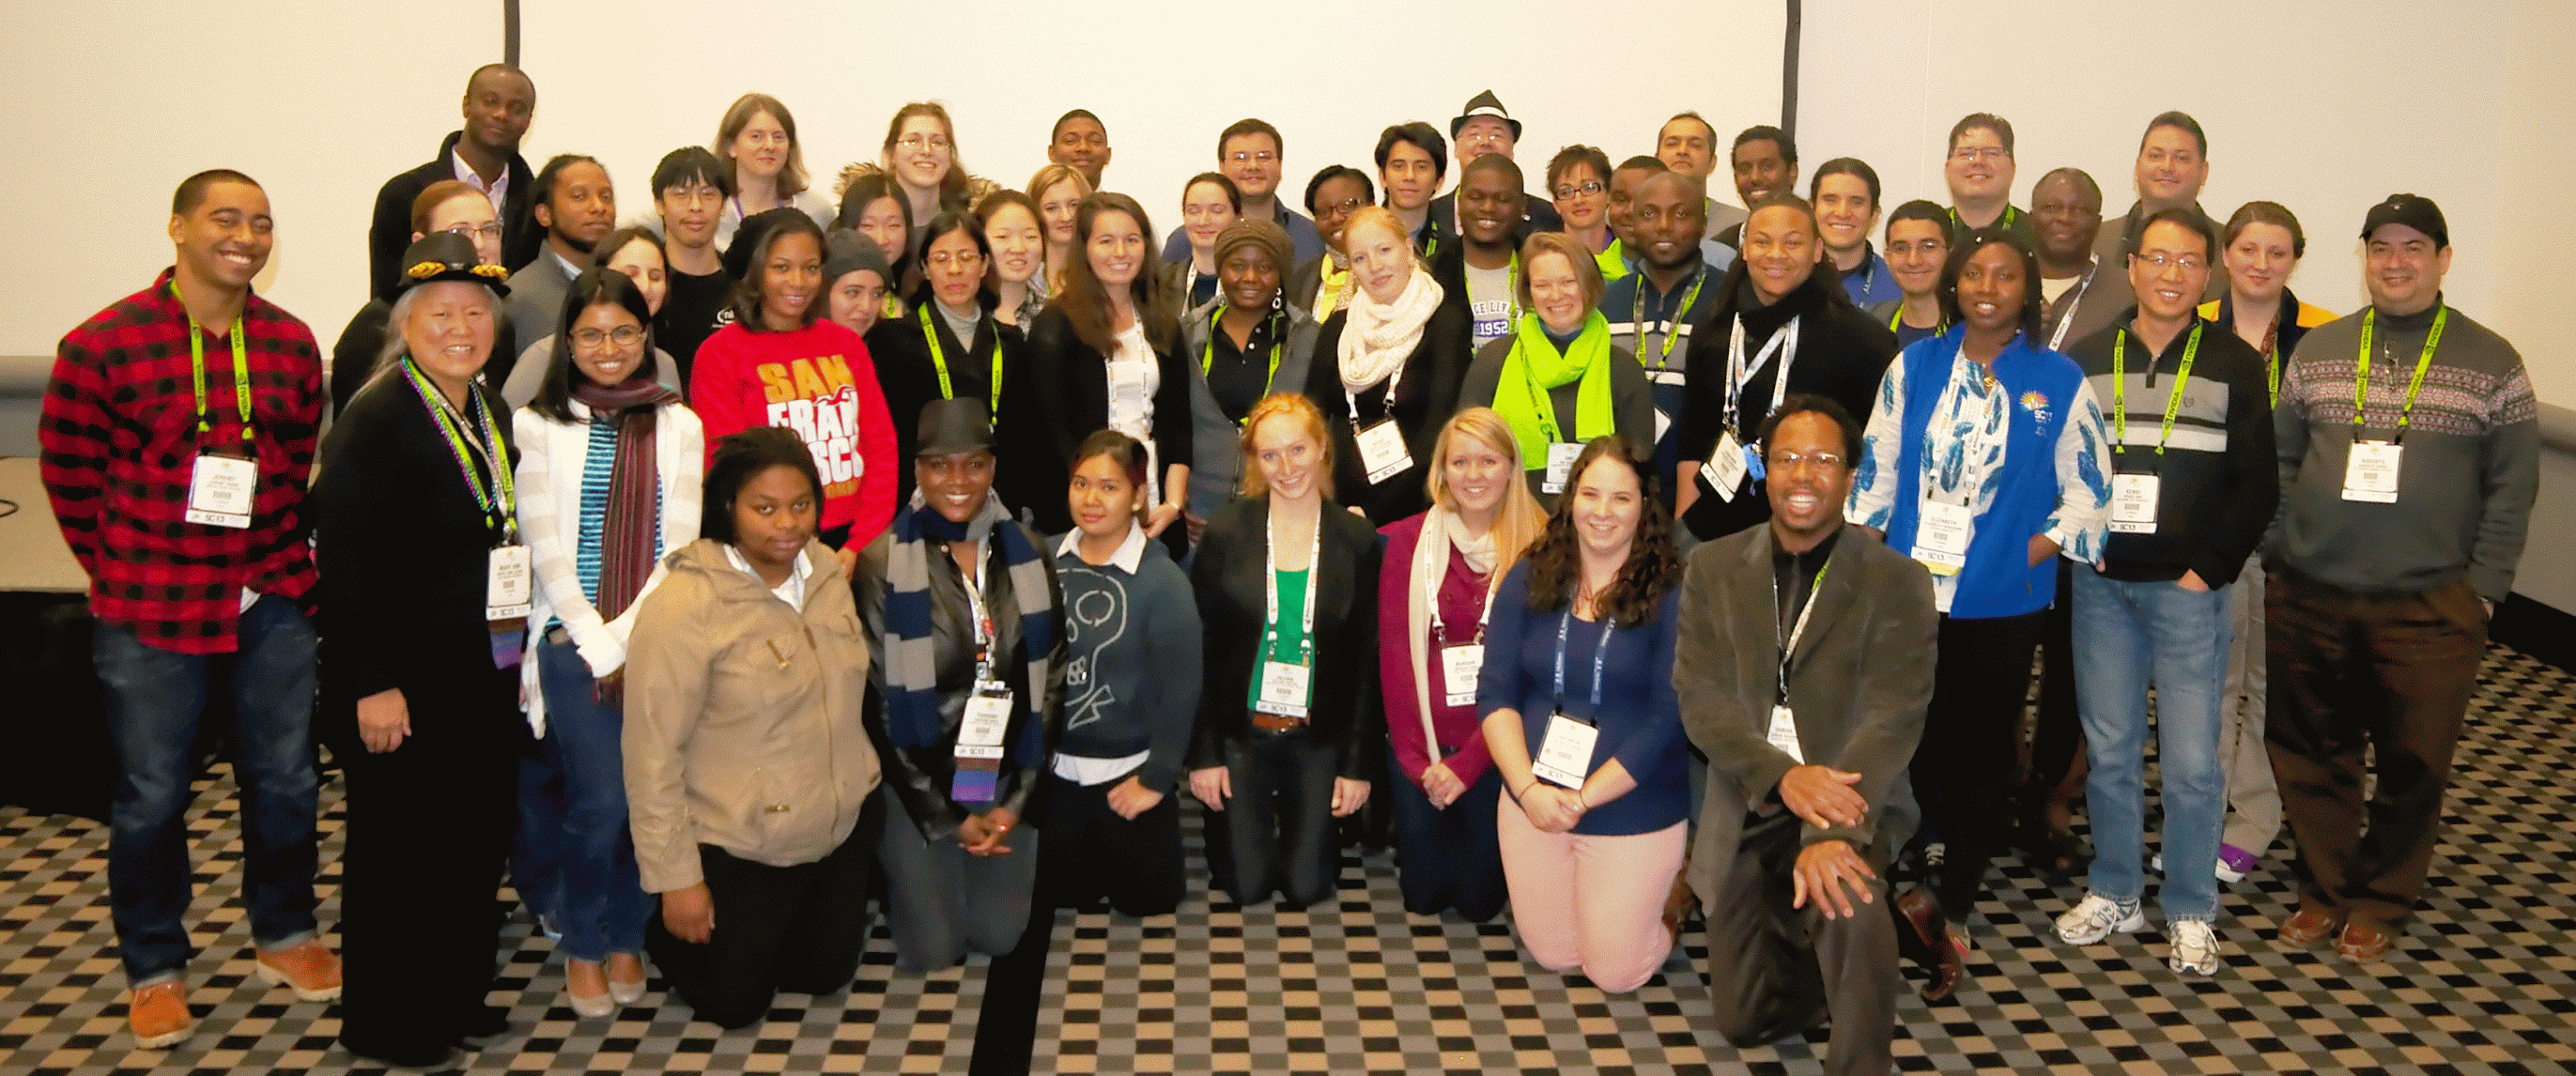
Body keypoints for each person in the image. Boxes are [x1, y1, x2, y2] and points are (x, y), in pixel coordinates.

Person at [39, 169, 338, 1051]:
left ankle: (284, 936)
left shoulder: (289, 342)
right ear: (177, 227)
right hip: (152, 607)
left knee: (286, 780)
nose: (246, 235)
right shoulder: (103, 344)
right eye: (225, 218)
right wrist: (124, 570)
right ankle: (155, 968)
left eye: (262, 222)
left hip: (269, 594)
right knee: (151, 794)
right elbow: (69, 476)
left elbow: (291, 470)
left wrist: (277, 566)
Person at [2268, 194, 2538, 962]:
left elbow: (2512, 487)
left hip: (2429, 605)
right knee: (2312, 752)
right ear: (2362, 259)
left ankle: (2382, 898)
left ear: (2441, 260)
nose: (2394, 262)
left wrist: (2482, 589)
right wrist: (2281, 547)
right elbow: (2284, 460)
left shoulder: (2493, 361)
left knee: (2414, 760)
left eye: (2412, 247)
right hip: (2310, 593)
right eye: (2379, 247)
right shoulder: (2319, 350)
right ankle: (2322, 890)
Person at [1845, 227, 2109, 954]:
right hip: (1907, 589)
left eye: (2004, 276)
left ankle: (1958, 883)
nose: (1987, 288)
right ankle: (1920, 847)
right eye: (1973, 275)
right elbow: (1877, 471)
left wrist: (2026, 550)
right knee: (1912, 727)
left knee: (1983, 742)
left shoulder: (2057, 378)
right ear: (1953, 285)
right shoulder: (1913, 365)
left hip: (2002, 596)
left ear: (2027, 290)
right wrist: (1868, 567)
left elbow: (2089, 489)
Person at [1677, 395, 1937, 1076]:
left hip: (1854, 795)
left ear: (1851, 475)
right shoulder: (1711, 567)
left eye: (1823, 460)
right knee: (1745, 1022)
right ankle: (1852, 955)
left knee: (1841, 889)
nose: (1803, 474)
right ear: (1762, 470)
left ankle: (1860, 1059)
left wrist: (1827, 829)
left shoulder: (1897, 580)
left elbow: (1890, 714)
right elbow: (1700, 701)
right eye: (1787, 458)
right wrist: (1783, 778)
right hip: (1751, 797)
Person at [315, 232, 524, 1068]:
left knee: (469, 845)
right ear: (406, 322)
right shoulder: (379, 416)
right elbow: (343, 562)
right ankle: (390, 1022)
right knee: (399, 856)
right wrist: (370, 681)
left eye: (477, 312)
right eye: (442, 313)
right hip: (400, 685)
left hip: (479, 674)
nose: (462, 327)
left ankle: (455, 996)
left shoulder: (487, 405)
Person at [2054, 210, 2276, 976]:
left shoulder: (2234, 363)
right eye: (2157, 258)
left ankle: (2188, 907)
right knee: (2109, 750)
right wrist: (2082, 548)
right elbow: (2063, 472)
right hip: (2102, 587)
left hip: (2188, 591)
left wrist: (2204, 571)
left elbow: (2258, 486)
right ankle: (2114, 887)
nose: (2172, 274)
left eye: (2188, 262)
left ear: (2206, 273)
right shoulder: (2083, 358)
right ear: (2132, 264)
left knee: (2190, 762)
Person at [625, 427, 882, 1027]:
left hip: (837, 826)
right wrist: (677, 880)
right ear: (727, 511)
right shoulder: (684, 607)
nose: (786, 524)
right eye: (764, 509)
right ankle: (660, 924)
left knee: (826, 976)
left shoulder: (825, 573)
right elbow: (650, 754)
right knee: (736, 1005)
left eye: (800, 505)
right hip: (738, 842)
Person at [510, 269, 702, 1016]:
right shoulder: (536, 424)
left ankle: (628, 938)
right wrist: (594, 636)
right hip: (568, 641)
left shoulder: (680, 424)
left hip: (654, 642)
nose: (608, 347)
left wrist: (628, 635)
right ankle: (583, 946)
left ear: (645, 335)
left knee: (652, 797)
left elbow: (678, 544)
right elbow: (543, 544)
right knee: (600, 804)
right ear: (568, 341)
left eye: (623, 332)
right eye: (590, 334)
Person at [856, 397, 1066, 970]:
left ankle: (984, 838)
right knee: (936, 949)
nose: (958, 480)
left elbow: (1052, 681)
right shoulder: (883, 562)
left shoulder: (1029, 551)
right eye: (940, 465)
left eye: (974, 464)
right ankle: (917, 857)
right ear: (917, 471)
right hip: (920, 775)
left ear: (993, 469)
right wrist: (947, 812)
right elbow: (880, 709)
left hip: (1003, 768)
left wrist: (1017, 798)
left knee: (999, 936)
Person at [1478, 436, 1689, 993]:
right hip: (1535, 795)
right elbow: (1494, 694)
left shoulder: (1674, 591)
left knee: (1616, 973)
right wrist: (1528, 790)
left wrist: (1583, 797)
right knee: (1554, 953)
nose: (1602, 511)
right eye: (1590, 493)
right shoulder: (1529, 574)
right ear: (1571, 498)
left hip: (1633, 799)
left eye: (1621, 498)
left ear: (1645, 508)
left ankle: (1673, 903)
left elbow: (1668, 718)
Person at [1188, 394, 1382, 908]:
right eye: (1269, 455)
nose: (1286, 467)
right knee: (1245, 888)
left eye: (1298, 449)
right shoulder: (1227, 532)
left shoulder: (1357, 539)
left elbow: (1367, 665)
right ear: (1256, 460)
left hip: (1317, 735)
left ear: (1321, 449)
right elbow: (1201, 651)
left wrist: (1357, 767)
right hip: (1242, 732)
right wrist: (1205, 757)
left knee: (1306, 887)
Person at [2198, 201, 2335, 884]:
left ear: (2294, 260)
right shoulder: (2193, 327)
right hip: (2215, 537)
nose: (2259, 265)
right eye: (2247, 250)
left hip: (2292, 543)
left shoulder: (2323, 338)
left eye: (2275, 253)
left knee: (2268, 684)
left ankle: (2253, 816)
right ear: (2225, 256)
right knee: (2210, 685)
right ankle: (2210, 813)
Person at [1377, 408, 1547, 920]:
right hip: (1418, 750)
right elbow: (1393, 660)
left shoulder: (1542, 547)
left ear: (1512, 467)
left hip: (1498, 753)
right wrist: (1416, 762)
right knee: (1423, 900)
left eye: (1488, 461)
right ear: (1441, 469)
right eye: (1460, 462)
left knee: (1478, 904)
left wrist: (1466, 766)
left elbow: (1532, 678)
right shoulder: (1401, 541)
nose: (1473, 476)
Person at [1042, 431, 1204, 916]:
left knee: (1149, 901)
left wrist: (1155, 781)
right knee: (1064, 897)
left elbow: (1181, 692)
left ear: (1139, 496)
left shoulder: (1164, 581)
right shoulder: (1041, 561)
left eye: (1109, 487)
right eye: (1080, 483)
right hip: (1055, 774)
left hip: (1128, 775)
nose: (1091, 499)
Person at [1674, 195, 1899, 545]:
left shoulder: (1864, 342)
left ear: (1817, 250)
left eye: (1793, 242)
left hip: (1813, 533)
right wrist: (1683, 538)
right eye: (1762, 241)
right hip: (1714, 529)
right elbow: (1693, 442)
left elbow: (1872, 463)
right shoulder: (1714, 328)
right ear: (1744, 248)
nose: (1776, 254)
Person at [690, 209, 898, 557]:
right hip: (769, 545)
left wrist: (858, 546)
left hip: (856, 542)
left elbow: (881, 449)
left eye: (811, 268)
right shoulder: (721, 354)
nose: (799, 281)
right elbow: (725, 468)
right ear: (756, 273)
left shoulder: (846, 345)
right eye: (781, 267)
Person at [1024, 192, 1193, 540]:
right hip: (1081, 511)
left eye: (1132, 240)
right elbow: (1054, 435)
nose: (1120, 253)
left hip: (1153, 505)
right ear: (1084, 249)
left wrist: (1173, 504)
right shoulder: (1054, 326)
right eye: (1106, 241)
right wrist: (1103, 500)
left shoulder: (1163, 322)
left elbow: (1177, 425)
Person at [1303, 206, 1473, 524]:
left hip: (1415, 510)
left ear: (1408, 249)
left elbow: (1442, 428)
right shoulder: (1339, 328)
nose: (1375, 267)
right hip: (1339, 512)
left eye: (1384, 250)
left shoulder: (1445, 323)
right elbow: (1311, 420)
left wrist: (1377, 513)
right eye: (1360, 258)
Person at [1460, 233, 1655, 504]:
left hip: (1597, 522)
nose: (1556, 295)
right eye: (1542, 285)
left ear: (1589, 284)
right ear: (1528, 292)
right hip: (1511, 519)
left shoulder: (1623, 369)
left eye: (1568, 282)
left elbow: (1640, 464)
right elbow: (1465, 451)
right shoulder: (1493, 361)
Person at [867, 209, 1028, 511]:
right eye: (941, 259)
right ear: (926, 268)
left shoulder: (1009, 342)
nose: (954, 269)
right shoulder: (894, 339)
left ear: (984, 265)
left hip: (997, 502)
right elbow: (885, 440)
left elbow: (1020, 438)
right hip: (917, 503)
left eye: (966, 257)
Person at [1180, 220, 1320, 537]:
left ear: (1282, 274)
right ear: (1219, 269)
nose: (1250, 278)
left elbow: (1319, 430)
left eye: (1265, 267)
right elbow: (1172, 425)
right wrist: (1178, 501)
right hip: (1198, 517)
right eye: (1237, 265)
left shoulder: (1308, 337)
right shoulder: (1186, 333)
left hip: (1282, 513)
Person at [332, 179, 515, 414]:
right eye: (460, 231)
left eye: (489, 230)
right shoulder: (379, 324)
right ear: (420, 242)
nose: (479, 244)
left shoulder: (499, 318)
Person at [367, 64, 539, 299]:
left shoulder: (538, 203)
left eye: (516, 108)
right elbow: (386, 298)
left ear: (528, 120)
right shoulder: (404, 194)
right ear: (466, 105)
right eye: (490, 101)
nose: (501, 114)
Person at [1600, 172, 1716, 515]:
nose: (1664, 226)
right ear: (1631, 223)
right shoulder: (1607, 302)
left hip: (1701, 500)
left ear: (1703, 223)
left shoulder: (1728, 300)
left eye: (1680, 214)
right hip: (1619, 494)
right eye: (1649, 214)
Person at [501, 226, 685, 407]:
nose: (645, 287)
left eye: (655, 277)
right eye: (631, 274)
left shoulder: (664, 365)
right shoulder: (543, 359)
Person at [501, 154, 615, 389]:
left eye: (606, 197)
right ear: (544, 214)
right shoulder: (517, 297)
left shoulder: (629, 286)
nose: (598, 207)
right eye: (579, 196)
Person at [1161, 118, 1328, 268]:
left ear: (1280, 165)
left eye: (1264, 157)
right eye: (1240, 157)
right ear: (1222, 166)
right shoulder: (1186, 240)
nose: (1253, 166)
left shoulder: (1312, 237)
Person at [840, 102, 1003, 241]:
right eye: (913, 141)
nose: (926, 150)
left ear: (950, 156)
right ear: (891, 154)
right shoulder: (854, 225)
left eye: (937, 142)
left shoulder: (972, 230)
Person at [2094, 113, 2221, 282]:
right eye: (2156, 156)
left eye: (2181, 158)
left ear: (2204, 172)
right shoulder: (2096, 242)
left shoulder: (2231, 250)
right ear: (2137, 167)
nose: (2167, 167)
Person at [1425, 92, 1564, 242]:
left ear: (1512, 150)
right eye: (1474, 134)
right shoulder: (1429, 214)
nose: (1485, 142)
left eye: (1496, 135)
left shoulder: (1547, 217)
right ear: (1456, 148)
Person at [646, 146, 734, 383]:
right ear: (659, 205)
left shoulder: (744, 281)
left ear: (724, 205)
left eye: (708, 194)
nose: (696, 206)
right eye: (681, 194)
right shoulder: (645, 284)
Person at [710, 93, 832, 249]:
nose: (769, 145)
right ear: (731, 146)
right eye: (756, 136)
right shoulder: (712, 213)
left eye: (778, 137)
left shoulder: (816, 210)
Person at [1436, 154, 1533, 349]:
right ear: (1459, 202)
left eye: (1503, 199)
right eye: (1476, 197)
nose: (1488, 208)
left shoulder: (1544, 270)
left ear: (1522, 206)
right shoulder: (1429, 276)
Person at [2031, 168, 2127, 356]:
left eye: (2080, 210)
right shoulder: (2000, 283)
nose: (2065, 218)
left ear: (2098, 222)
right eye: (2051, 208)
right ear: (2031, 217)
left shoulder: (2128, 291)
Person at [1653, 112, 1748, 265]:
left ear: (1712, 162)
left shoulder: (1740, 223)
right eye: (1672, 143)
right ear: (1657, 158)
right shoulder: (1625, 221)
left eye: (1695, 145)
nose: (1682, 151)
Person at [1285, 165, 1373, 320]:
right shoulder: (1299, 280)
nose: (1336, 218)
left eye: (1347, 205)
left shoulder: (1394, 270)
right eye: (1324, 211)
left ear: (1371, 205)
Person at [1812, 158, 1900, 307]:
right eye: (1830, 200)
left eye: (1856, 202)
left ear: (1875, 216)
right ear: (1811, 210)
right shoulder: (1784, 277)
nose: (1842, 213)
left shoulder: (1898, 285)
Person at [1940, 114, 2035, 248]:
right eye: (1966, 153)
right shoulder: (1926, 235)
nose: (1978, 162)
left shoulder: (2039, 237)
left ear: (2012, 168)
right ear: (1947, 168)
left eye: (1991, 153)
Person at [1867, 200, 1950, 349]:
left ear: (1951, 254)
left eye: (1928, 247)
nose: (1913, 260)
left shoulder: (1975, 332)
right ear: (1887, 258)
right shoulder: (1869, 325)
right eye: (1900, 248)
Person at [838, 172, 920, 305]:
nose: (881, 240)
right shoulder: (827, 294)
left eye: (893, 225)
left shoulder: (920, 291)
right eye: (868, 225)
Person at [1710, 126, 1798, 249]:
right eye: (1744, 169)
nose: (1755, 178)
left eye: (1767, 167)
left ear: (1792, 172)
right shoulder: (1719, 249)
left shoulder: (1818, 240)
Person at [1547, 145, 1625, 282]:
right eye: (1566, 192)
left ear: (1608, 195)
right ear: (1555, 204)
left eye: (1589, 188)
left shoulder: (1629, 255)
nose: (1578, 200)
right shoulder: (1544, 259)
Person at [1166, 172, 1242, 309]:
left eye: (1217, 211)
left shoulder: (1254, 284)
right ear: (1184, 216)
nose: (1203, 221)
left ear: (1238, 218)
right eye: (1194, 211)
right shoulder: (1159, 284)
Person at [1374, 122, 1448, 256]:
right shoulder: (1361, 236)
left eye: (1421, 167)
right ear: (1382, 177)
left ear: (1439, 180)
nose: (1409, 176)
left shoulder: (1453, 247)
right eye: (1398, 166)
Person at [979, 190, 1049, 329]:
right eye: (1002, 237)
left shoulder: (1056, 315)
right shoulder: (961, 312)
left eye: (1030, 236)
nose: (1018, 248)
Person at [1028, 163, 1093, 298]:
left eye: (1074, 205)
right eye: (1051, 208)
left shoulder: (1105, 276)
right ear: (1034, 214)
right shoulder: (1022, 282)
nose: (1066, 217)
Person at [822, 228, 895, 340]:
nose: (866, 307)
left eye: (876, 295)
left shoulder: (889, 350)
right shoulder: (789, 351)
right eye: (853, 293)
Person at [1047, 109, 1112, 190]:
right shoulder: (1031, 202)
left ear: (1108, 154)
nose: (1083, 147)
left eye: (1095, 141)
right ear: (1052, 153)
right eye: (1070, 140)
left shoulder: (1121, 202)